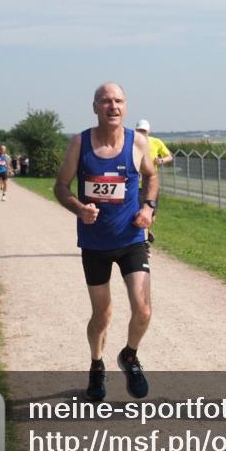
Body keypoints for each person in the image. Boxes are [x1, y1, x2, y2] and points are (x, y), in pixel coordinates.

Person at [54, 82, 159, 402]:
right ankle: (97, 366)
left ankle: (129, 356)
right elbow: (60, 186)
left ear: (125, 106)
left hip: (131, 239)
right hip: (95, 243)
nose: (112, 106)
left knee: (143, 309)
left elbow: (152, 177)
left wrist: (148, 207)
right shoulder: (80, 143)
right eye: (105, 101)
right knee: (103, 314)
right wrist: (79, 208)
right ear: (95, 107)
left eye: (118, 101)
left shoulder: (138, 142)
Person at [134, 119, 173, 249]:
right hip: (136, 185)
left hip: (151, 185)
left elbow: (169, 156)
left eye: (144, 131)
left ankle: (146, 232)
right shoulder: (132, 142)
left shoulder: (156, 142)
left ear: (149, 131)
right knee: (141, 212)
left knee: (152, 215)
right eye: (139, 130)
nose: (142, 133)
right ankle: (143, 242)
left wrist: (160, 160)